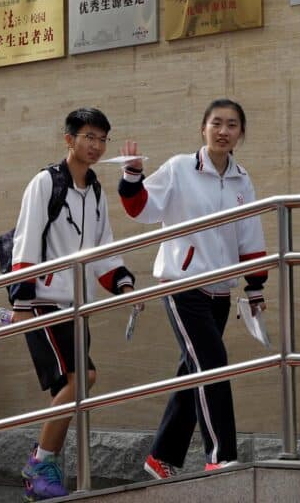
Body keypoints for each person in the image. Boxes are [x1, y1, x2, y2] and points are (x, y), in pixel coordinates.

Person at [118, 99, 267, 479]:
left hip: (219, 290)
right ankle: (221, 455)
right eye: (216, 123)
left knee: (193, 370)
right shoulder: (180, 168)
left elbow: (249, 233)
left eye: (232, 125)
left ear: (240, 134)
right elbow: (142, 210)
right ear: (203, 128)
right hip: (182, 285)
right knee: (213, 367)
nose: (223, 131)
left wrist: (255, 286)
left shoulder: (241, 178)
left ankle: (160, 456)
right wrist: (132, 177)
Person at [9, 107, 136, 501]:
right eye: (88, 137)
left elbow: (102, 250)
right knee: (84, 379)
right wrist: (22, 301)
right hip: (44, 301)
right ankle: (38, 462)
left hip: (77, 305)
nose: (95, 146)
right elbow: (26, 239)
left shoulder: (95, 190)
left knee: (70, 388)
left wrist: (124, 284)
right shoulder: (46, 183)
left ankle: (44, 468)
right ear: (69, 139)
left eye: (101, 139)